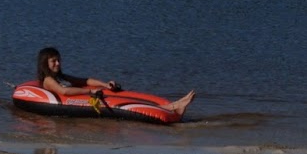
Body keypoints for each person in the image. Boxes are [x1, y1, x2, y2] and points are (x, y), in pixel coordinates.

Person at [36, 46, 195, 115]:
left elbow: (84, 80)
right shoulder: (48, 80)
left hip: (86, 96)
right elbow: (64, 91)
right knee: (125, 104)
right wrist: (91, 91)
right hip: (76, 101)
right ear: (45, 63)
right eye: (53, 61)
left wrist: (105, 84)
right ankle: (173, 107)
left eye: (59, 60)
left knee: (126, 97)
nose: (58, 63)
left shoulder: (61, 76)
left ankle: (174, 106)